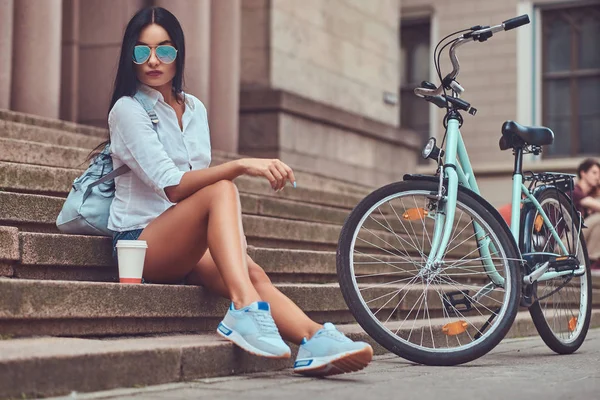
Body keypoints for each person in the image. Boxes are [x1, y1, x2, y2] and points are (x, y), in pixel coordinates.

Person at [100, 6, 373, 376]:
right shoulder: (127, 110)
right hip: (140, 243)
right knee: (221, 187)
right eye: (141, 51)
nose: (153, 61)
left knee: (252, 273)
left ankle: (312, 340)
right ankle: (244, 310)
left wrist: (233, 244)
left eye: (164, 50)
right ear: (129, 56)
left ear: (178, 54)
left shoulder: (194, 108)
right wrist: (243, 164)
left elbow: (198, 184)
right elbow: (174, 186)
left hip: (184, 240)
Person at [572, 159, 600, 270]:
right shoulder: (575, 191)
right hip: (564, 242)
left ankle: (593, 260)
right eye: (594, 173)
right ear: (583, 173)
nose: (597, 177)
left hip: (575, 238)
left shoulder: (586, 195)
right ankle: (592, 261)